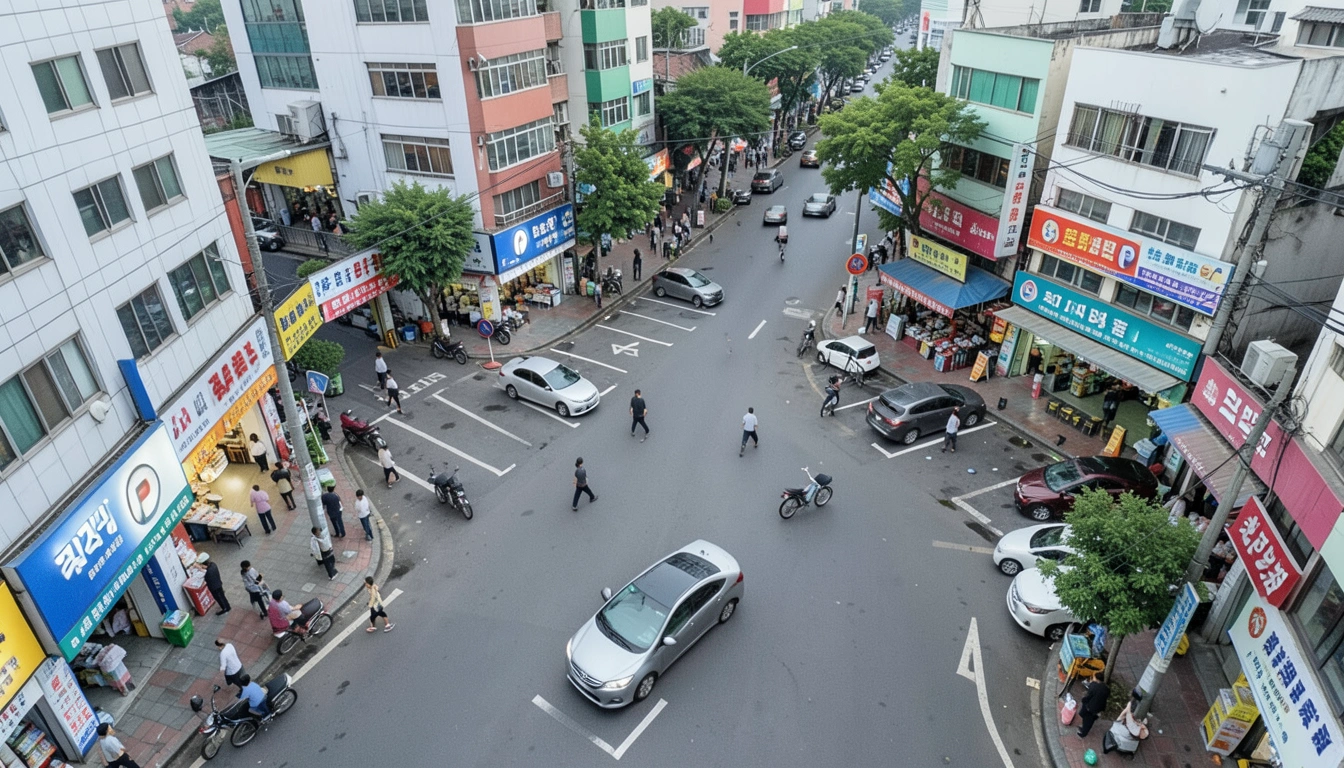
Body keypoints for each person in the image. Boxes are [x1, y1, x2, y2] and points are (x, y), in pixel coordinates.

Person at [1077, 672, 1110, 738]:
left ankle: (1083, 732)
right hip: (1099, 707)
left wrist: (1083, 700)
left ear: (1097, 679)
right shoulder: (1106, 689)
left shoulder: (1093, 686)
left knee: (1087, 720)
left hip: (1091, 707)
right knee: (1090, 719)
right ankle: (1085, 728)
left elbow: (1088, 696)